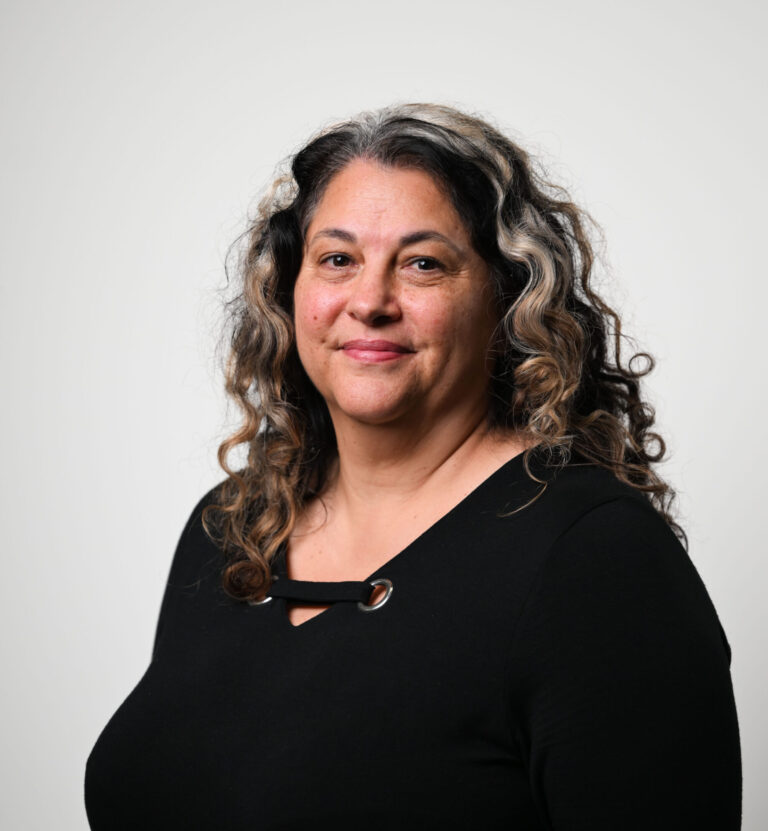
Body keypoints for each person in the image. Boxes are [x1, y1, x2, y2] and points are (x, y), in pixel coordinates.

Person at [84, 103, 742, 829]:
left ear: (506, 299)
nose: (369, 301)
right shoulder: (231, 526)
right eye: (337, 258)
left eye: (424, 263)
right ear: (289, 290)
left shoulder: (594, 559)